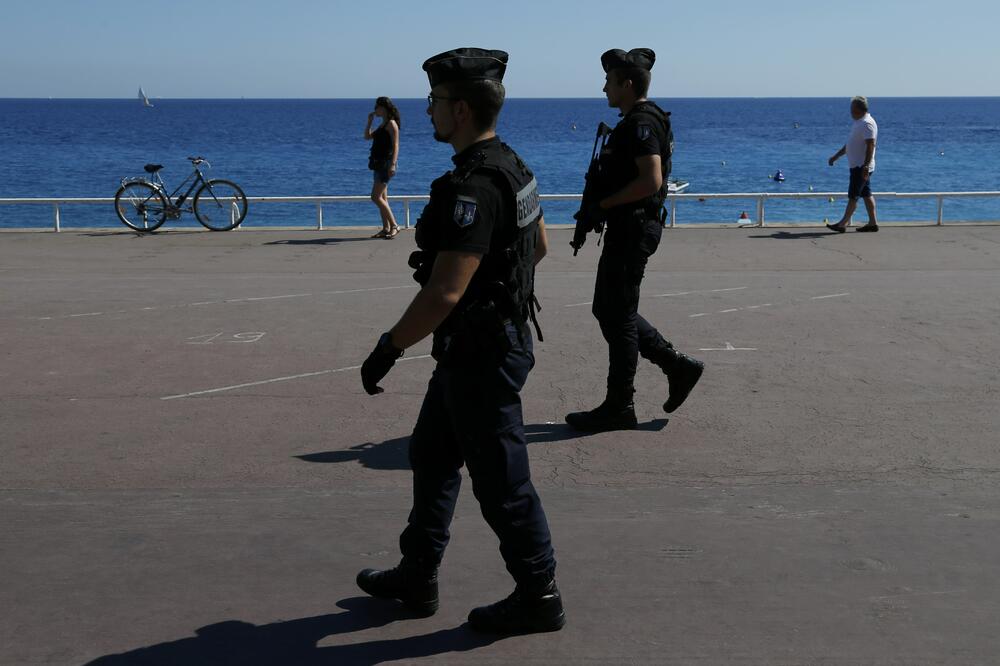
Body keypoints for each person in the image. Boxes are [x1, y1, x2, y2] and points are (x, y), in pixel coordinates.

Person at [357, 47, 564, 635]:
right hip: (483, 344)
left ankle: (539, 593)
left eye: (437, 103)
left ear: (463, 109)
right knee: (432, 455)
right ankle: (418, 574)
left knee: (502, 481)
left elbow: (445, 291)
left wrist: (389, 346)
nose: (428, 112)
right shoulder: (514, 166)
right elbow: (539, 248)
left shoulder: (472, 185)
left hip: (483, 354)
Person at [565, 48, 704, 433]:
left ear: (627, 83)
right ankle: (675, 366)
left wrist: (604, 204)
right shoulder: (639, 121)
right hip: (630, 227)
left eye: (609, 81)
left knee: (618, 314)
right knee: (609, 309)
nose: (604, 87)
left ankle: (620, 404)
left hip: (633, 228)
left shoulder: (641, 124)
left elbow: (651, 180)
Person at [827, 96, 879, 233]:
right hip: (857, 166)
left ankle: (842, 224)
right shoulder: (859, 122)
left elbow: (870, 145)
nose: (850, 112)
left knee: (853, 196)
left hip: (861, 167)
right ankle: (873, 223)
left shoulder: (867, 123)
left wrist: (866, 166)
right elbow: (850, 144)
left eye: (852, 109)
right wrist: (836, 156)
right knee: (866, 194)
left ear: (858, 109)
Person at [364, 97, 401, 238]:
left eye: (377, 107)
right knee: (383, 197)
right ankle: (386, 228)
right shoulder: (382, 125)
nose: (375, 110)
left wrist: (393, 164)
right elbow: (367, 137)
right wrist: (369, 121)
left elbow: (396, 145)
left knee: (375, 197)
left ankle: (394, 225)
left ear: (383, 108)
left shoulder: (391, 124)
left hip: (385, 164)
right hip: (377, 164)